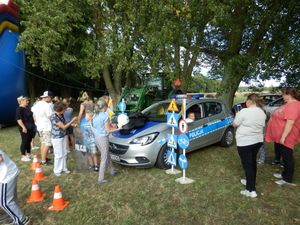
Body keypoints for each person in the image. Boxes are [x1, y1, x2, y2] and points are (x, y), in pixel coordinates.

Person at [233, 93, 266, 198]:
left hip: (245, 142)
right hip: (257, 141)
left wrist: (237, 114)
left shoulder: (244, 111)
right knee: (252, 162)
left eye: (246, 101)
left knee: (248, 165)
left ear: (250, 101)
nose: (245, 103)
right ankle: (249, 180)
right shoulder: (262, 112)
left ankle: (250, 190)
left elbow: (235, 124)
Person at [265, 87, 300, 185]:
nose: (282, 96)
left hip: (288, 135)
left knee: (287, 156)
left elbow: (290, 122)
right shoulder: (288, 104)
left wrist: (284, 136)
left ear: (289, 95)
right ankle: (285, 174)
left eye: (283, 94)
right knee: (284, 156)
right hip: (281, 135)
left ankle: (287, 179)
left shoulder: (294, 105)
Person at [0, 149, 30, 225]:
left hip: (6, 176)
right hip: (9, 172)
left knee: (5, 202)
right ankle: (13, 216)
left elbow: (0, 158)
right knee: (11, 199)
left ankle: (22, 221)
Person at [92, 99, 119, 185]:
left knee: (106, 154)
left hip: (96, 137)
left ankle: (112, 170)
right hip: (103, 138)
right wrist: (118, 128)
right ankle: (100, 179)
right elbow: (108, 130)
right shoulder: (105, 116)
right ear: (105, 107)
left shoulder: (94, 115)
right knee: (104, 157)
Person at [50, 102, 77, 176]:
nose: (65, 110)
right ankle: (57, 170)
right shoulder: (53, 117)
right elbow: (63, 127)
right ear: (60, 109)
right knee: (58, 154)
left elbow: (64, 123)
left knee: (64, 153)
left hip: (63, 136)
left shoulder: (61, 115)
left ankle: (64, 168)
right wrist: (72, 120)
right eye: (64, 109)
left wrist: (72, 124)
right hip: (57, 138)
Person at [31, 91, 53, 165]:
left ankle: (44, 158)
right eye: (51, 97)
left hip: (40, 127)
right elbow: (50, 117)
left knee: (43, 143)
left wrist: (37, 123)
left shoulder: (37, 104)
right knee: (47, 143)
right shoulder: (47, 106)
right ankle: (43, 161)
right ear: (48, 97)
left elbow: (33, 115)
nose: (51, 99)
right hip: (47, 127)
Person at [15, 96, 36, 162]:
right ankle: (23, 156)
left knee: (29, 141)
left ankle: (29, 154)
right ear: (21, 101)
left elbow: (32, 115)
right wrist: (23, 127)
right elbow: (18, 119)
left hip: (31, 127)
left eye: (27, 100)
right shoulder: (19, 109)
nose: (27, 102)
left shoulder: (27, 108)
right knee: (24, 141)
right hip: (24, 128)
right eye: (26, 101)